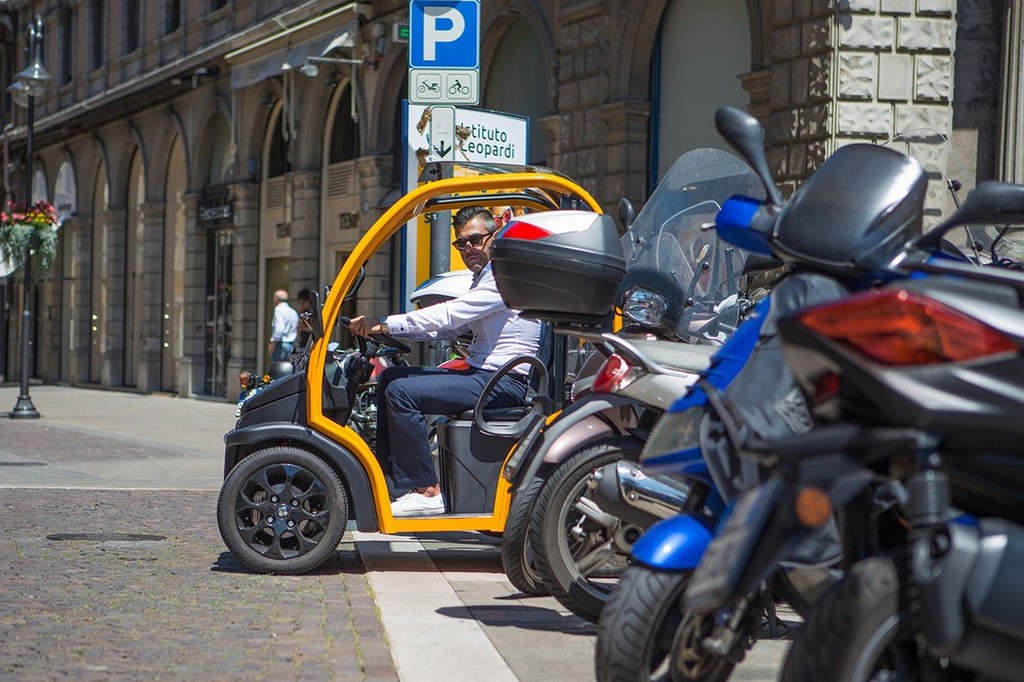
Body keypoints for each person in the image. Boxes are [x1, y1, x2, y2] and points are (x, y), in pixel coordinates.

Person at [349, 205, 542, 518]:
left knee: (401, 392)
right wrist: (390, 331)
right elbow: (449, 328)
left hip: (503, 382)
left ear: (495, 235)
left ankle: (427, 492)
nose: (468, 249)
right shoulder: (484, 278)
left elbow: (449, 315)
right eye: (461, 243)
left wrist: (384, 324)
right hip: (485, 375)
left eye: (476, 240)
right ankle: (395, 482)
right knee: (390, 378)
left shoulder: (502, 278)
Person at [268, 289, 299, 362]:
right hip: (291, 345)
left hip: (281, 345)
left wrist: (272, 344)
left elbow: (279, 329)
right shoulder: (293, 311)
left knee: (278, 367)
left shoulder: (278, 310)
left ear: (276, 299)